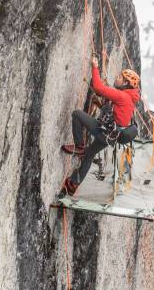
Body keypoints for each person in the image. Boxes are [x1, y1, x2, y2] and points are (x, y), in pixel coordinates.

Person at [58, 57, 141, 198]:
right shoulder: (129, 98)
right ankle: (73, 185)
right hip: (111, 137)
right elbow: (114, 113)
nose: (117, 77)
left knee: (77, 114)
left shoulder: (123, 96)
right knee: (89, 155)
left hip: (106, 133)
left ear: (126, 83)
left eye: (120, 77)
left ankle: (79, 146)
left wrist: (94, 66)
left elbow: (97, 87)